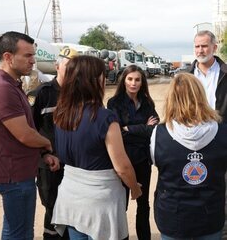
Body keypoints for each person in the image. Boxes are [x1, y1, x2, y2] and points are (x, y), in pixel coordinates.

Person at [51, 55, 142, 240]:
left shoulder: (61, 113)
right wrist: (134, 187)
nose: (105, 79)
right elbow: (122, 167)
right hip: (99, 203)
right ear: (93, 80)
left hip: (71, 198)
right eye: (103, 75)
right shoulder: (104, 118)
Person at [0, 31, 59, 240]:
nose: (33, 61)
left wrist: (42, 154)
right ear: (8, 57)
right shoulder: (1, 88)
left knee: (14, 229)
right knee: (21, 233)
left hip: (18, 172)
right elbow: (24, 135)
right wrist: (49, 144)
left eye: (33, 55)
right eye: (27, 56)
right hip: (14, 176)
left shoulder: (11, 85)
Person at [150, 73, 227, 240]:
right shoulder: (222, 131)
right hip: (210, 215)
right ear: (201, 96)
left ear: (171, 98)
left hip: (173, 216)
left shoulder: (159, 134)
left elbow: (157, 162)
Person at [28, 47, 78, 240]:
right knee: (53, 211)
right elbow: (30, 130)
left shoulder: (80, 95)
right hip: (50, 166)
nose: (72, 71)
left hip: (74, 166)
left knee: (74, 212)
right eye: (68, 66)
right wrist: (43, 154)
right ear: (57, 66)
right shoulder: (41, 94)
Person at [107, 65, 159, 240]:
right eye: (130, 79)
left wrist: (131, 128)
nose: (133, 83)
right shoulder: (114, 103)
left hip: (144, 160)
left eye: (137, 79)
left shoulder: (147, 102)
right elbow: (118, 133)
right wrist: (144, 127)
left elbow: (155, 129)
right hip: (124, 160)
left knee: (143, 204)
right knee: (121, 205)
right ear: (124, 80)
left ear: (142, 82)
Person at [188, 30, 227, 239]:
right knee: (195, 185)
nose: (200, 50)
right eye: (197, 46)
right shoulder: (185, 75)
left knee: (221, 187)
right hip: (192, 141)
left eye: (204, 46)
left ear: (214, 47)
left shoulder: (225, 73)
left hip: (221, 140)